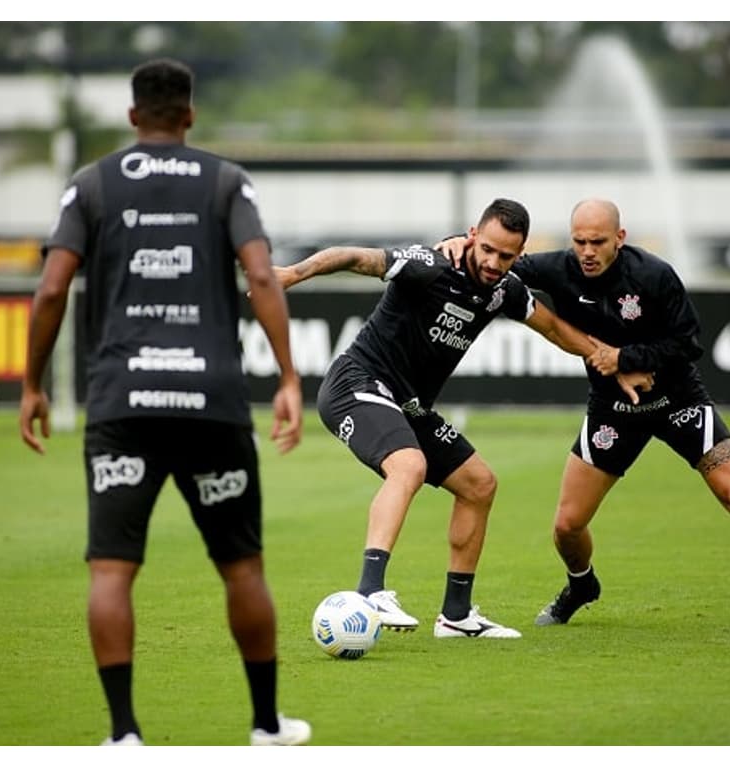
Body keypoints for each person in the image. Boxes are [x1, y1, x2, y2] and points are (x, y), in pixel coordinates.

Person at [19, 58, 311, 746]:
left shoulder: (91, 184)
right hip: (211, 401)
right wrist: (290, 378)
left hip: (122, 406)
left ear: (131, 117)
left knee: (113, 569)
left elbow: (52, 290)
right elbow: (263, 276)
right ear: (189, 115)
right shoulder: (225, 180)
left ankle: (123, 735)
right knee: (241, 566)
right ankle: (266, 725)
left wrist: (32, 384)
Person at [437, 198, 730, 637]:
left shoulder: (654, 275)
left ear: (620, 238)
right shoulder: (557, 268)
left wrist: (627, 357)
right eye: (579, 241)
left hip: (678, 401)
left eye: (597, 241)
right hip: (613, 410)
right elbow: (500, 260)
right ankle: (581, 586)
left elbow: (689, 343)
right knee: (567, 526)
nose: (588, 251)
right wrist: (458, 242)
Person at [273, 198, 652, 639]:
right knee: (408, 465)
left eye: (506, 256)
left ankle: (456, 615)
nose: (493, 262)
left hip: (409, 403)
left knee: (479, 485)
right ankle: (370, 591)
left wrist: (608, 358)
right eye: (487, 249)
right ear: (472, 235)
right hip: (356, 384)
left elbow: (552, 327)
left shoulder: (503, 290)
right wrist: (295, 274)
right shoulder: (429, 266)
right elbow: (356, 257)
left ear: (519, 253)